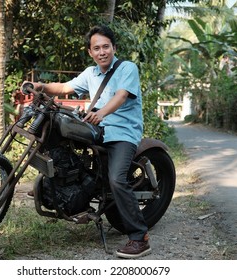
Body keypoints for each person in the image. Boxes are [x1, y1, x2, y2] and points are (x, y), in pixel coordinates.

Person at [24, 25, 150, 259]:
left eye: (105, 47)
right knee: (55, 130)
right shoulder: (91, 73)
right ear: (90, 52)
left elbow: (121, 95)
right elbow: (63, 87)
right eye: (96, 48)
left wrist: (102, 114)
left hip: (122, 132)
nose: (102, 52)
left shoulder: (127, 68)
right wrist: (41, 87)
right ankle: (59, 187)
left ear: (114, 48)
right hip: (97, 128)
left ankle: (139, 237)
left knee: (116, 179)